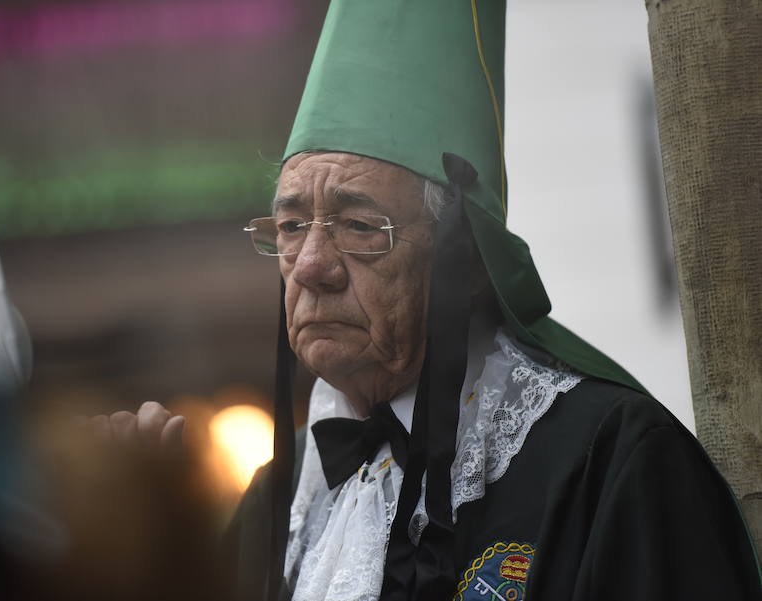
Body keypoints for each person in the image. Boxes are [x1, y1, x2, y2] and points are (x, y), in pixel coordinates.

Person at [124, 1, 762, 600]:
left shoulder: (612, 462)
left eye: (359, 226)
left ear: (463, 259)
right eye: (291, 227)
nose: (312, 266)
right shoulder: (278, 502)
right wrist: (146, 554)